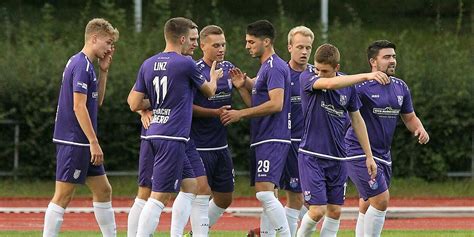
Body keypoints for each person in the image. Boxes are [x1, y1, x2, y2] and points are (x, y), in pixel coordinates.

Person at [127, 17, 222, 237]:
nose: (195, 44)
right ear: (181, 39)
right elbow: (209, 92)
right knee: (158, 197)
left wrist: (149, 108)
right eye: (192, 39)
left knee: (190, 185)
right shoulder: (185, 63)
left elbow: (133, 103)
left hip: (153, 134)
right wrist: (214, 78)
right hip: (172, 137)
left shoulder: (148, 63)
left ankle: (177, 234)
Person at [296, 43, 390, 237]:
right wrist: (367, 75)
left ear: (337, 68)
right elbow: (329, 84)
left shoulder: (348, 88)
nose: (320, 73)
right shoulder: (308, 77)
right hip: (312, 155)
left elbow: (357, 120)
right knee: (317, 210)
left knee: (335, 211)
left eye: (326, 71)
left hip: (339, 159)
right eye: (318, 69)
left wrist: (369, 156)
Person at [345, 40, 429, 237]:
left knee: (367, 203)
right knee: (381, 200)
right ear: (373, 62)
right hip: (358, 151)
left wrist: (419, 128)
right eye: (387, 57)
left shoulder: (401, 87)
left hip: (384, 154)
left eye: (394, 56)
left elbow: (409, 117)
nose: (392, 60)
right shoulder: (360, 87)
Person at [44, 18, 119, 237]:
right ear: (94, 38)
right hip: (75, 141)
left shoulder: (89, 66)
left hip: (82, 141)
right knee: (63, 196)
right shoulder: (80, 65)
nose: (109, 47)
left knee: (104, 190)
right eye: (107, 42)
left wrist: (104, 72)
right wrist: (94, 142)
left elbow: (97, 103)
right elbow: (78, 107)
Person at [221, 19, 292, 237]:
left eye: (251, 42)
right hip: (263, 137)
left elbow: (276, 104)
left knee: (264, 194)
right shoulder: (264, 68)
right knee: (268, 195)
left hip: (273, 137)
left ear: (266, 41)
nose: (247, 46)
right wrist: (243, 87)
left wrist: (239, 114)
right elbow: (257, 105)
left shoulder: (275, 67)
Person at [186, 25, 237, 236]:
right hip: (200, 145)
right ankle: (197, 233)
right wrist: (215, 112)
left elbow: (244, 89)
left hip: (221, 145)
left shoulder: (228, 68)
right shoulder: (194, 70)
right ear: (202, 45)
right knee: (201, 194)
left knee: (225, 198)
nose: (221, 49)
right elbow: (186, 107)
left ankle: (193, 232)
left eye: (223, 44)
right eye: (216, 45)